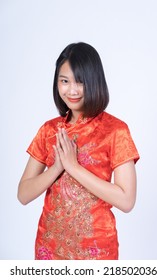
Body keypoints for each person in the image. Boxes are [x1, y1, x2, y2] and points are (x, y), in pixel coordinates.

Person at [18, 42, 140, 260]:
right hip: (50, 248)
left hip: (96, 251)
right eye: (64, 81)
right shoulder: (49, 130)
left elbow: (126, 200)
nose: (71, 90)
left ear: (94, 81)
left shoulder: (115, 131)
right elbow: (23, 194)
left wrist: (73, 167)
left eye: (80, 81)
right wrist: (56, 167)